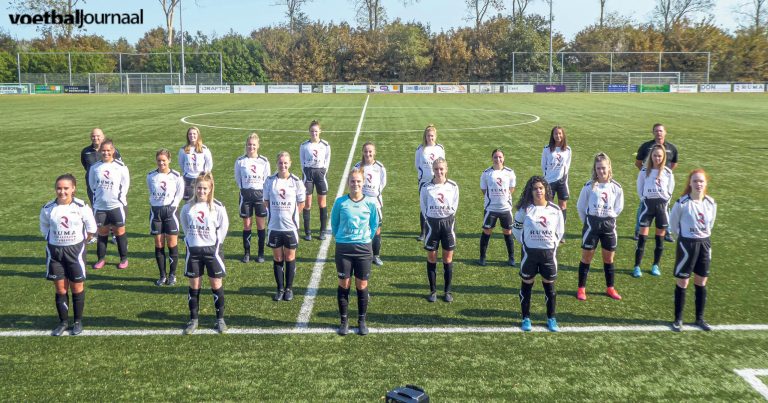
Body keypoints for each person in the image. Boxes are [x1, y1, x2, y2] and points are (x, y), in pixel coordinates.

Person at [40, 174, 96, 336]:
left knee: (77, 286)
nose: (62, 191)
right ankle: (63, 322)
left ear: (73, 189)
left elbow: (91, 228)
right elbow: (44, 227)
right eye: (59, 188)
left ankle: (77, 321)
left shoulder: (81, 206)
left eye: (66, 188)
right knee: (60, 288)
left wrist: (81, 242)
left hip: (75, 252)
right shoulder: (48, 208)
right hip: (55, 252)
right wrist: (52, 239)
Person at [512, 176, 564, 332]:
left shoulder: (555, 210)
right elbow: (516, 228)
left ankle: (551, 318)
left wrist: (552, 243)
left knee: (549, 286)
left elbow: (560, 231)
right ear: (531, 191)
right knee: (527, 284)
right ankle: (526, 318)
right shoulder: (525, 209)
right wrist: (526, 241)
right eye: (535, 188)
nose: (538, 191)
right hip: (530, 255)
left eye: (541, 188)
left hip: (548, 255)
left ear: (546, 189)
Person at [332, 168, 380, 336]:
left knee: (362, 285)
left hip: (363, 249)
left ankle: (361, 320)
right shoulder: (340, 202)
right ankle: (344, 321)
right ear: (348, 183)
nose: (356, 184)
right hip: (344, 248)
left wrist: (365, 238)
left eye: (358, 181)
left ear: (363, 183)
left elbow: (374, 224)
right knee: (344, 284)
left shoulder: (370, 203)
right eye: (353, 181)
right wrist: (342, 238)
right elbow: (334, 223)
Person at [180, 172, 229, 334]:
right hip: (194, 251)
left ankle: (220, 319)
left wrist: (215, 244)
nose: (201, 191)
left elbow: (223, 228)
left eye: (204, 188)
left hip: (212, 251)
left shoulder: (218, 207)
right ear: (195, 188)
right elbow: (185, 227)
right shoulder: (187, 207)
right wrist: (192, 241)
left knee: (216, 284)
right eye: (199, 188)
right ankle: (193, 320)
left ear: (210, 189)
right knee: (194, 285)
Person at [668, 169, 717, 332]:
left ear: (705, 183)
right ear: (689, 183)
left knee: (701, 281)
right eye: (695, 181)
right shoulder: (682, 203)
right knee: (683, 281)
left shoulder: (710, 203)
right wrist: (684, 236)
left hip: (704, 244)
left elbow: (710, 224)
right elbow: (673, 226)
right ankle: (678, 319)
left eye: (701, 181)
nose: (698, 184)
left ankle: (700, 318)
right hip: (686, 245)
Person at [575, 153, 624, 301]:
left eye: (603, 168)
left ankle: (610, 288)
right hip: (592, 226)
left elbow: (618, 208)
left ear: (609, 167)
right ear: (595, 170)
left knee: (608, 259)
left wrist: (607, 216)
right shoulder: (589, 186)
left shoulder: (616, 188)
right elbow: (580, 207)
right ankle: (581, 289)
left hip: (609, 226)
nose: (601, 171)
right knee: (586, 257)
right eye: (598, 168)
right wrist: (589, 222)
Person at [263, 152, 306, 301]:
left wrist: (290, 216)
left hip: (290, 227)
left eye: (285, 163)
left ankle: (289, 288)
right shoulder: (269, 181)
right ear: (277, 163)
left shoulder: (296, 181)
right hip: (274, 227)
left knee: (289, 256)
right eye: (281, 163)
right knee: (277, 257)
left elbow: (302, 203)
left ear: (290, 163)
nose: (283, 166)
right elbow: (266, 202)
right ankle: (280, 288)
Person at [420, 157, 459, 303]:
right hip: (432, 225)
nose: (439, 171)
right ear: (433, 170)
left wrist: (445, 216)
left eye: (441, 169)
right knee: (432, 257)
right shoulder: (426, 187)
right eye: (436, 169)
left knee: (448, 258)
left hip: (448, 224)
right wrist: (430, 218)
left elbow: (455, 205)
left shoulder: (453, 186)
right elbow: (423, 205)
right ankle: (433, 291)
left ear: (446, 169)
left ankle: (447, 291)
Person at [633, 144, 675, 278]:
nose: (657, 158)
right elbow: (640, 188)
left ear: (663, 157)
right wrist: (644, 198)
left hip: (661, 208)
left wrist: (665, 200)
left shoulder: (668, 172)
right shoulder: (644, 171)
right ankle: (637, 266)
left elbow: (670, 189)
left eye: (660, 156)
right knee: (642, 239)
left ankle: (655, 265)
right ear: (651, 156)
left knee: (659, 240)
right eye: (655, 155)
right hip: (647, 207)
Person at [88, 138, 130, 269]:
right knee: (102, 233)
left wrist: (120, 199)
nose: (106, 153)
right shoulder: (95, 168)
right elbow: (92, 185)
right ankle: (101, 259)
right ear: (100, 151)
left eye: (108, 150)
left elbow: (125, 184)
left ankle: (123, 259)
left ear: (113, 151)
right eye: (103, 150)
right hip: (100, 207)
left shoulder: (121, 167)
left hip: (116, 206)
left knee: (119, 232)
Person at [634, 123, 679, 242]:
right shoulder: (646, 146)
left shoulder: (672, 148)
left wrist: (663, 176)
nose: (658, 133)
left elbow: (674, 164)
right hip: (649, 183)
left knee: (665, 207)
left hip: (663, 184)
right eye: (656, 131)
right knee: (643, 205)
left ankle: (667, 232)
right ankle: (639, 231)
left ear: (665, 132)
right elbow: (638, 162)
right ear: (653, 133)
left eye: (661, 131)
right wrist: (648, 175)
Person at [146, 149, 184, 286]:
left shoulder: (176, 176)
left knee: (172, 244)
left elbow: (180, 193)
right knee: (159, 244)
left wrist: (173, 206)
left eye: (164, 160)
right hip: (156, 213)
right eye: (159, 160)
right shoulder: (151, 176)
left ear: (169, 160)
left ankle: (172, 275)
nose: (161, 163)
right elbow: (151, 191)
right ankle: (162, 275)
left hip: (171, 212)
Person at [234, 132, 271, 264]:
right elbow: (238, 178)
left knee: (261, 225)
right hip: (245, 196)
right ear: (246, 145)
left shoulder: (264, 161)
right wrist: (245, 188)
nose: (251, 147)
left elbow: (267, 179)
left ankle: (261, 253)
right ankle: (247, 253)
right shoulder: (240, 161)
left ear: (258, 145)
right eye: (249, 145)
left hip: (260, 196)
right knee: (247, 225)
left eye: (254, 145)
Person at [478, 148, 517, 267]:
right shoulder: (486, 173)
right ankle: (482, 257)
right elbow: (484, 190)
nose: (498, 159)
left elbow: (512, 189)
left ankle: (511, 258)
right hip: (491, 209)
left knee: (508, 232)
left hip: (505, 209)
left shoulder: (510, 172)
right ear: (492, 158)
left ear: (503, 158)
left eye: (500, 157)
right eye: (495, 157)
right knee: (486, 232)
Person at [353, 142, 387, 266]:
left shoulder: (379, 167)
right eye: (366, 151)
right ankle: (363, 254)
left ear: (374, 152)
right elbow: (353, 182)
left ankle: (376, 255)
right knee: (361, 228)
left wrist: (374, 193)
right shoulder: (357, 166)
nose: (368, 154)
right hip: (361, 202)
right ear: (362, 152)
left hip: (375, 203)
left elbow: (383, 183)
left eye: (370, 151)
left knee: (377, 229)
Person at [299, 120, 331, 241]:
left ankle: (322, 231)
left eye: (316, 131)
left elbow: (327, 160)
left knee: (322, 203)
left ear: (320, 131)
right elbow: (302, 161)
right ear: (309, 132)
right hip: (308, 175)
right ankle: (308, 232)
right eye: (312, 131)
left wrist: (323, 171)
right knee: (307, 203)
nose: (314, 133)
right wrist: (306, 173)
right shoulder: (304, 145)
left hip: (320, 174)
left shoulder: (325, 145)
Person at [415, 124, 446, 241]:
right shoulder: (420, 149)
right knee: (424, 206)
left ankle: (436, 229)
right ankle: (423, 232)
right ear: (425, 136)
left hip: (437, 181)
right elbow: (417, 164)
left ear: (435, 136)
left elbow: (443, 163)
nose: (430, 138)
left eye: (432, 136)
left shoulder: (440, 148)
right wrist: (423, 176)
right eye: (428, 136)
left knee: (436, 204)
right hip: (424, 181)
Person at [541, 126, 571, 243]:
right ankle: (550, 230)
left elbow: (567, 166)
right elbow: (543, 165)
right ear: (552, 136)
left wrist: (563, 179)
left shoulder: (567, 150)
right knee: (549, 206)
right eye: (555, 134)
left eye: (560, 134)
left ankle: (560, 232)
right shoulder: (547, 149)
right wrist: (548, 178)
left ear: (563, 135)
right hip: (549, 181)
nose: (558, 136)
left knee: (563, 206)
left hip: (562, 181)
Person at [80, 128, 122, 207]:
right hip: (92, 185)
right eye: (93, 136)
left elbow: (120, 167)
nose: (95, 138)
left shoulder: (113, 150)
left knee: (112, 205)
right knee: (95, 206)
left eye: (98, 136)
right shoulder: (85, 151)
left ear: (103, 137)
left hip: (109, 184)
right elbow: (86, 165)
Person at [178, 126, 213, 201]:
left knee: (202, 200)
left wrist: (204, 175)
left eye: (194, 134)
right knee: (188, 202)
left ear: (198, 135)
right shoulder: (183, 150)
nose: (192, 136)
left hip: (200, 178)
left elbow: (209, 164)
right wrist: (186, 173)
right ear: (187, 136)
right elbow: (181, 163)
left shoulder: (204, 149)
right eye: (190, 134)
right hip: (188, 179)